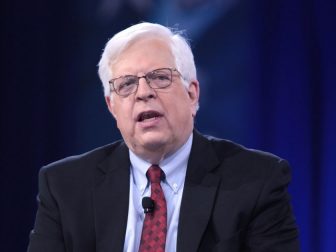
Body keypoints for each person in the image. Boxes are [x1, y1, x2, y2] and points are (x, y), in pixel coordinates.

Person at [28, 22, 299, 252]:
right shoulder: (63, 187)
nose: (143, 92)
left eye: (160, 77)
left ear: (192, 94)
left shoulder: (258, 180)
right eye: (126, 84)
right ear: (112, 107)